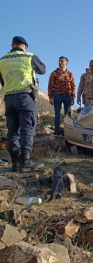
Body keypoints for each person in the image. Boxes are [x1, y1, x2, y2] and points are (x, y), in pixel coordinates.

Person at [0, 36, 46, 172]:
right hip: (25, 97)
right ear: (25, 46)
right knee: (27, 127)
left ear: (12, 45)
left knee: (13, 130)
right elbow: (42, 70)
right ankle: (25, 160)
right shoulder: (29, 56)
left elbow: (2, 81)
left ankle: (15, 162)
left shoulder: (2, 60)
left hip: (8, 98)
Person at [48, 56, 75, 136]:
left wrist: (73, 96)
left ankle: (68, 132)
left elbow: (73, 85)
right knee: (57, 115)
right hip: (57, 96)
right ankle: (57, 132)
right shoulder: (54, 73)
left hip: (67, 96)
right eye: (59, 61)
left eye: (62, 61)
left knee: (68, 115)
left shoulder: (70, 74)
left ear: (66, 63)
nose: (60, 63)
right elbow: (50, 85)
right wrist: (50, 97)